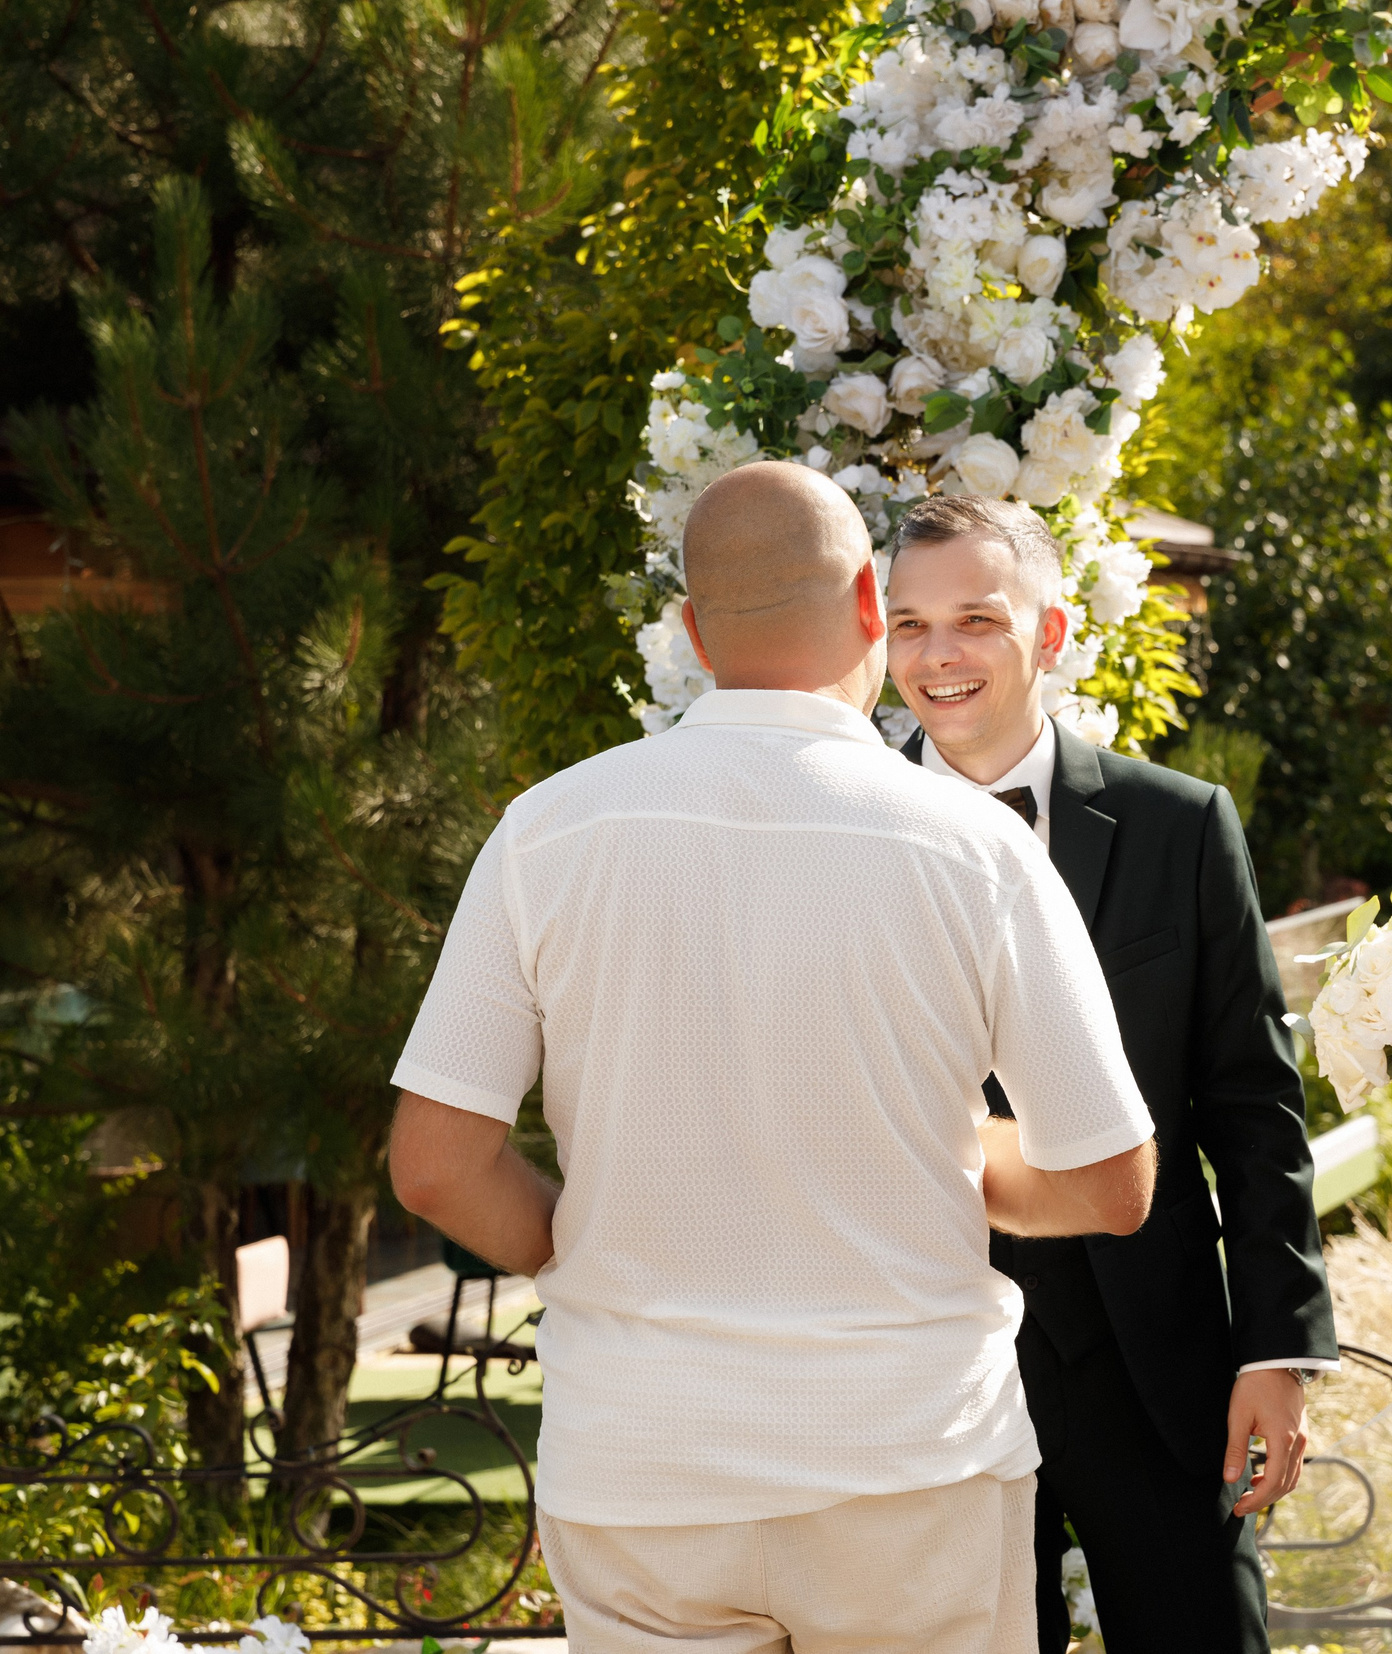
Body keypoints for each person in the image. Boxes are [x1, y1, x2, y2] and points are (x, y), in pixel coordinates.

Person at [384, 462, 1160, 1654]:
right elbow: (1114, 1181)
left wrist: (578, 1237)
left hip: (641, 1459)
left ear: (691, 631)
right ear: (868, 605)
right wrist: (965, 1163)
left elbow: (436, 1165)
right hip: (908, 1459)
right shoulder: (977, 850)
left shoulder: (548, 829)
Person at [881, 495, 1338, 1654]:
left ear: (1050, 632)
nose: (938, 656)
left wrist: (1275, 1350)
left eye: (976, 619)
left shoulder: (1179, 825)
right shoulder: (844, 827)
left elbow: (1250, 1101)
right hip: (920, 1360)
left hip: (1159, 1359)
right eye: (908, 623)